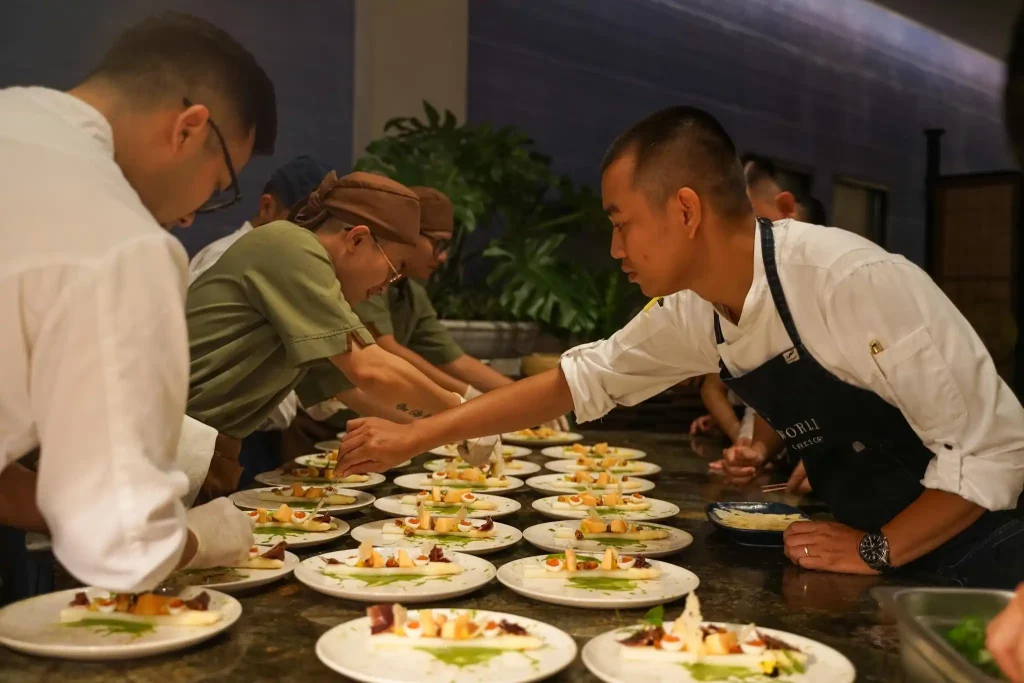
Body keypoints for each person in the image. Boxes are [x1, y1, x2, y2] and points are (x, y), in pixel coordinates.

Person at [337, 105, 1024, 588]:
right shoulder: (696, 310)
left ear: (687, 211)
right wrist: (418, 436)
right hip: (867, 556)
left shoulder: (851, 281)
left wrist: (877, 548)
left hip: (982, 557)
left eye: (622, 223)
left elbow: (992, 451)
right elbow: (578, 382)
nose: (613, 249)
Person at [0, 11, 277, 595]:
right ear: (190, 129)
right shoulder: (120, 239)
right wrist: (207, 537)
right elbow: (121, 550)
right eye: (221, 184)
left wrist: (70, 506)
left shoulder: (16, 122)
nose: (191, 215)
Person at [184, 171, 497, 487]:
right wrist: (461, 415)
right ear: (357, 239)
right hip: (173, 440)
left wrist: (429, 431)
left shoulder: (316, 284)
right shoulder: (290, 246)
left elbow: (353, 388)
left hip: (208, 448)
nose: (387, 286)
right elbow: (372, 369)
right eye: (395, 268)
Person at [286, 186, 568, 455]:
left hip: (368, 424)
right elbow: (378, 363)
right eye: (438, 243)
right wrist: (462, 413)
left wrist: (523, 401)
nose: (443, 256)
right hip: (321, 429)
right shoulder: (328, 271)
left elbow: (455, 360)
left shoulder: (406, 292)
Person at [187, 155, 333, 486]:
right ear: (267, 207)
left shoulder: (297, 266)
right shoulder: (224, 255)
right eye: (303, 224)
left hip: (260, 435)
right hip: (212, 435)